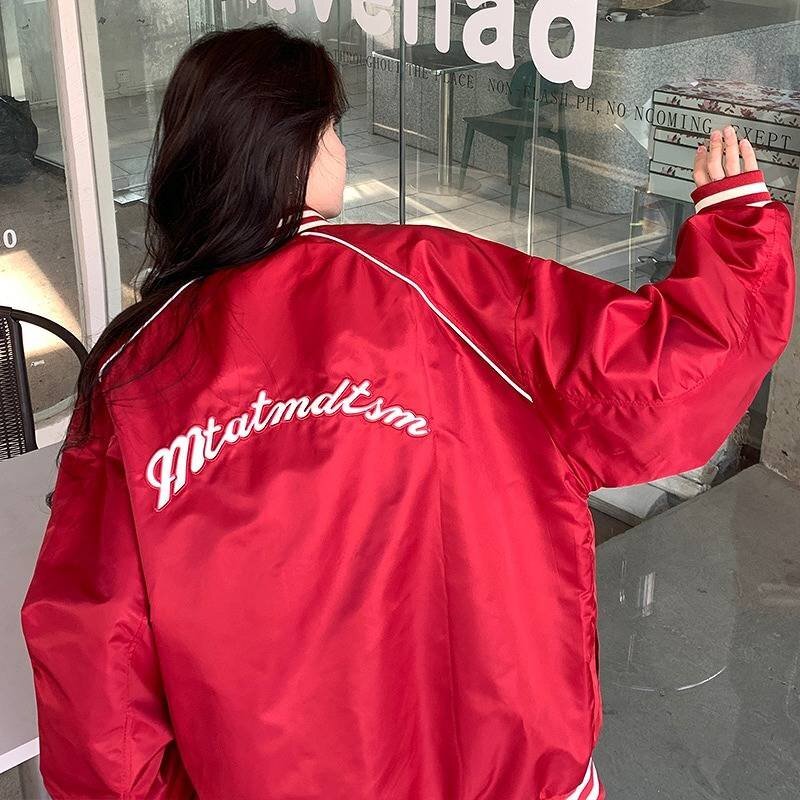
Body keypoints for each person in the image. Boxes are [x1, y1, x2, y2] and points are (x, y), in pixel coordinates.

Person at [20, 22, 795, 800]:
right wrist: (738, 233)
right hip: (507, 776)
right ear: (296, 147)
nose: (341, 148)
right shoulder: (443, 284)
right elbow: (664, 376)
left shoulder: (135, 374)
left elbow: (95, 678)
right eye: (332, 128)